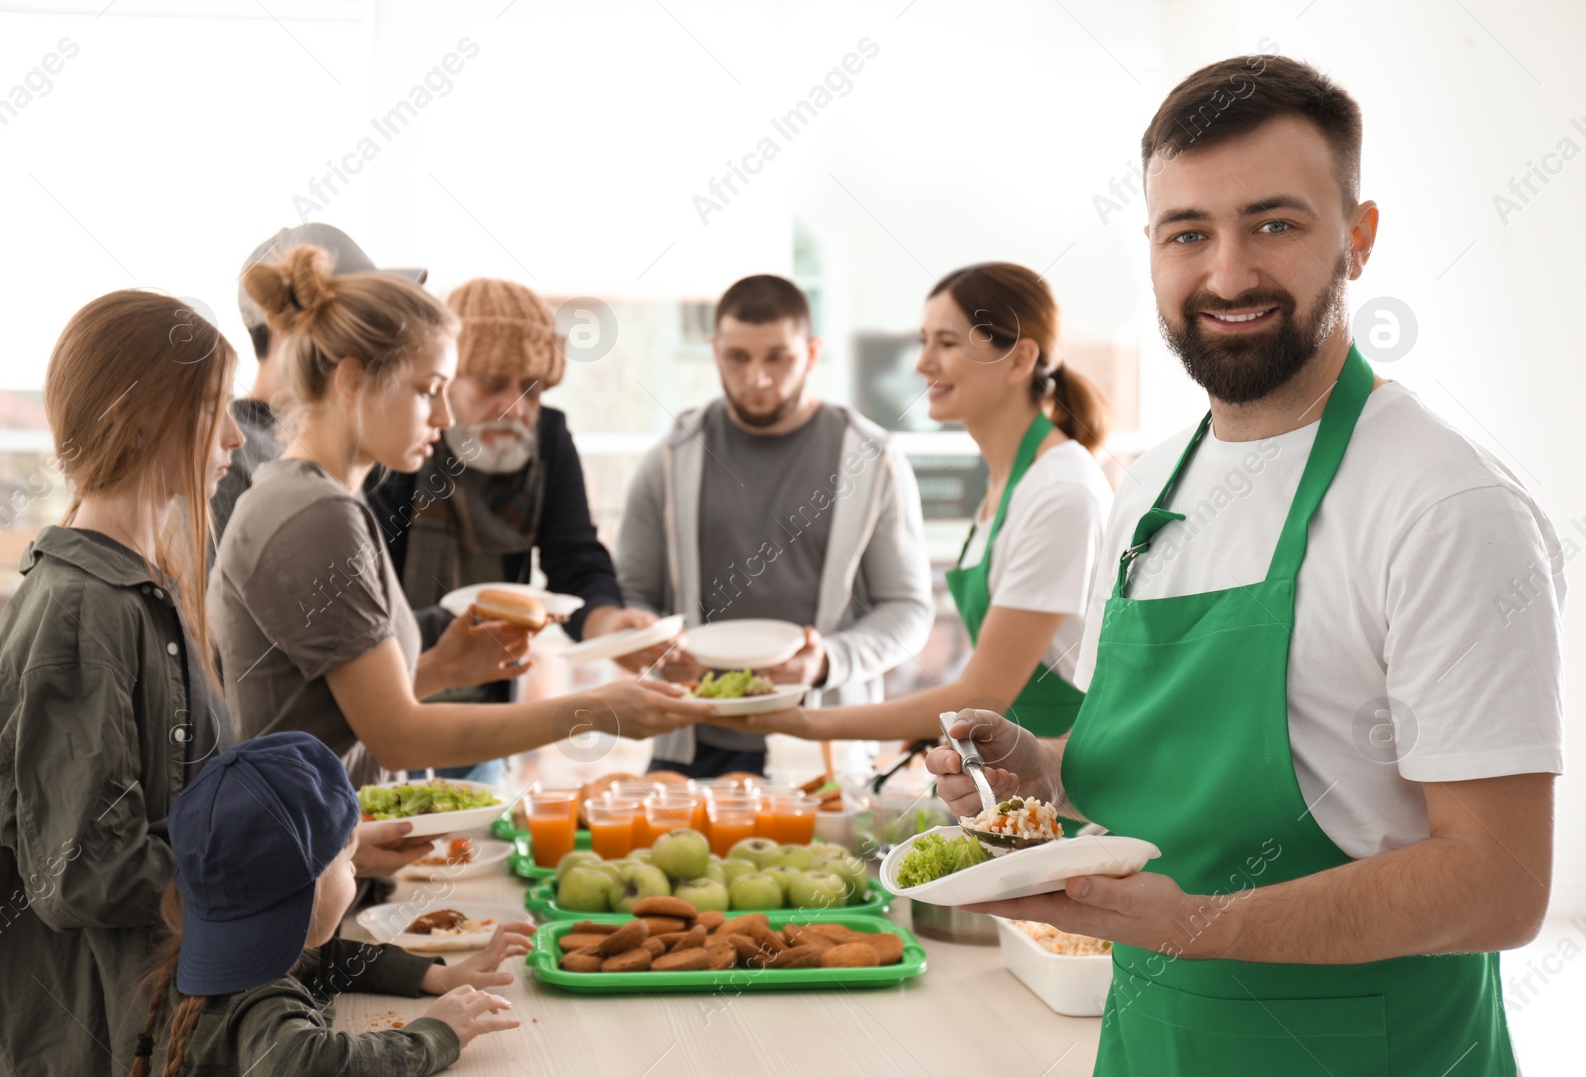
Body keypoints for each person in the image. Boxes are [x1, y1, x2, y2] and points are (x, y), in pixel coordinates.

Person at [926, 55, 1563, 1076]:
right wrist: (1040, 771)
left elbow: (1498, 884)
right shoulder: (1146, 492)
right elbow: (1164, 798)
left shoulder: (1443, 505)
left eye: (1274, 224)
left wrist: (1201, 924)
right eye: (1188, 233)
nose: (1225, 274)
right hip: (1149, 1043)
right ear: (1151, 250)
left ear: (1355, 238)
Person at [211, 244, 706, 788]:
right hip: (307, 836)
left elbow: (336, 708)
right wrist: (591, 712)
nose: (443, 415)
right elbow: (395, 733)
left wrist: (447, 668)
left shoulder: (320, 499)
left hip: (334, 829)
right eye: (429, 391)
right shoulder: (317, 515)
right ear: (352, 382)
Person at [0, 290, 241, 1076]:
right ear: (140, 417)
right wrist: (271, 882)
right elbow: (81, 869)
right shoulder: (81, 610)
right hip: (88, 1040)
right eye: (217, 409)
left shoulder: (133, 590)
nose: (235, 436)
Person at [729, 263, 1112, 750]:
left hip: (1067, 794)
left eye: (947, 344)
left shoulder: (1060, 491)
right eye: (924, 340)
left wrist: (802, 723)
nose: (921, 363)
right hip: (1012, 777)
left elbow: (984, 694)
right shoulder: (1010, 480)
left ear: (1019, 361)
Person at [616, 274, 934, 778]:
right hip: (692, 743)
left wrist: (827, 660)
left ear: (811, 352)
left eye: (777, 357)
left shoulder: (872, 460)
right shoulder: (671, 457)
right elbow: (631, 594)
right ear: (714, 350)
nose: (757, 378)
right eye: (738, 357)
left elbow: (909, 609)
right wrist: (649, 647)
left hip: (825, 744)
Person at [367, 277, 665, 784]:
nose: (516, 408)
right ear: (443, 380)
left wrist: (608, 625)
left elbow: (575, 559)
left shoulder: (546, 439)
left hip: (485, 713)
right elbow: (370, 607)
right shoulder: (399, 446)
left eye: (533, 388)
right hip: (388, 701)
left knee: (474, 850)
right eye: (492, 384)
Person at [129, 732, 532, 1076]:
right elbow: (316, 1065)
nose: (356, 869)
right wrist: (432, 1035)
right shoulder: (264, 1002)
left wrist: (434, 976)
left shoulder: (226, 962)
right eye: (348, 858)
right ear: (310, 886)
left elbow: (325, 957)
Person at [213, 222, 427, 541]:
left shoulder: (331, 440)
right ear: (290, 333)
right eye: (351, 323)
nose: (375, 342)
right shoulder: (227, 456)